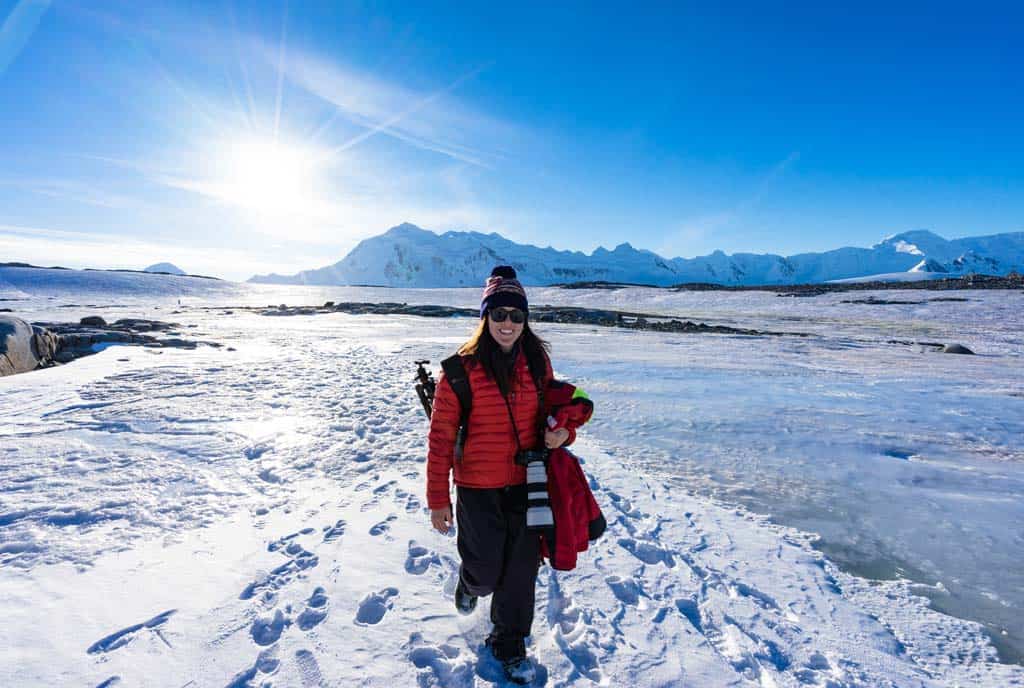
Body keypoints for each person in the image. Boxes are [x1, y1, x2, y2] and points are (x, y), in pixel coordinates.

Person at [426, 265, 573, 684]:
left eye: (516, 315)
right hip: (476, 489)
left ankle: (508, 645)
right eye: (499, 314)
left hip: (529, 483)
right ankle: (469, 584)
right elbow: (439, 441)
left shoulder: (537, 362)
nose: (508, 323)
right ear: (485, 317)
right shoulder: (458, 371)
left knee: (521, 572)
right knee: (486, 570)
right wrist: (438, 499)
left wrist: (566, 432)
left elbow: (562, 407)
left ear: (526, 320)